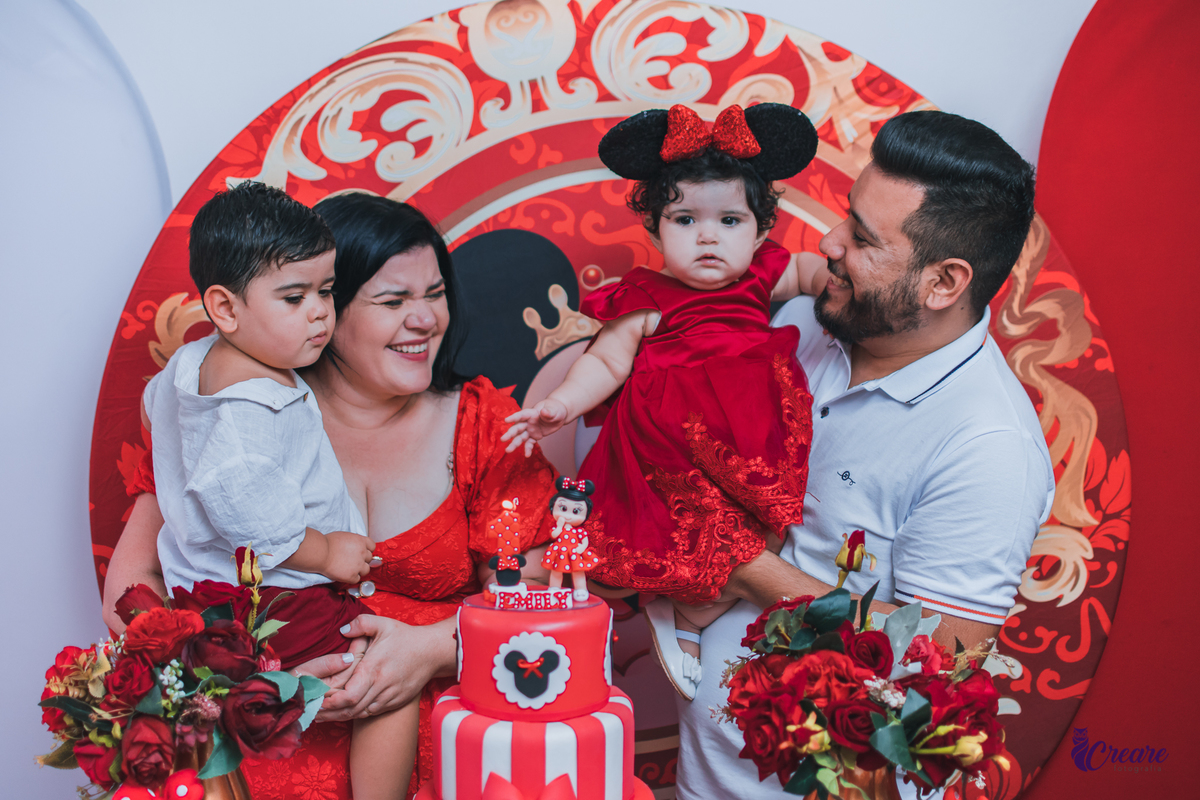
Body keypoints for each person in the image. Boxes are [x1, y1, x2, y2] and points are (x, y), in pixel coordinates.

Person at [103, 192, 558, 800]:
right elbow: (133, 586)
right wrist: (242, 678)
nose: (425, 319)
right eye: (393, 301)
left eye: (435, 294)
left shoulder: (484, 425)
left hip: (447, 751)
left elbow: (539, 603)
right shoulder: (235, 416)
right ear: (327, 307)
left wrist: (429, 649)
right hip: (257, 746)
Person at [673, 110, 1055, 798]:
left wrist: (747, 569)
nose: (828, 241)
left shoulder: (988, 448)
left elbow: (944, 657)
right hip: (707, 773)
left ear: (944, 283)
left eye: (863, 237)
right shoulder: (806, 323)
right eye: (847, 215)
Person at [502, 103, 831, 699]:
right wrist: (564, 406)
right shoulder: (648, 300)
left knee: (765, 531)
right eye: (685, 219)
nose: (708, 235)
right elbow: (605, 361)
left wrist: (840, 283)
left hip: (754, 434)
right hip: (669, 442)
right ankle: (679, 612)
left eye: (730, 220)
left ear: (760, 232)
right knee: (683, 529)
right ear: (654, 230)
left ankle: (694, 612)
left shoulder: (761, 278)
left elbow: (811, 271)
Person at [142, 182, 415, 800]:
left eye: (326, 290)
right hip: (275, 596)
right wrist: (328, 553)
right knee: (386, 685)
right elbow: (251, 515)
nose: (320, 311)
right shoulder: (247, 405)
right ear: (226, 307)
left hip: (220, 596)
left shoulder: (193, 366)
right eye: (294, 297)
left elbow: (152, 406)